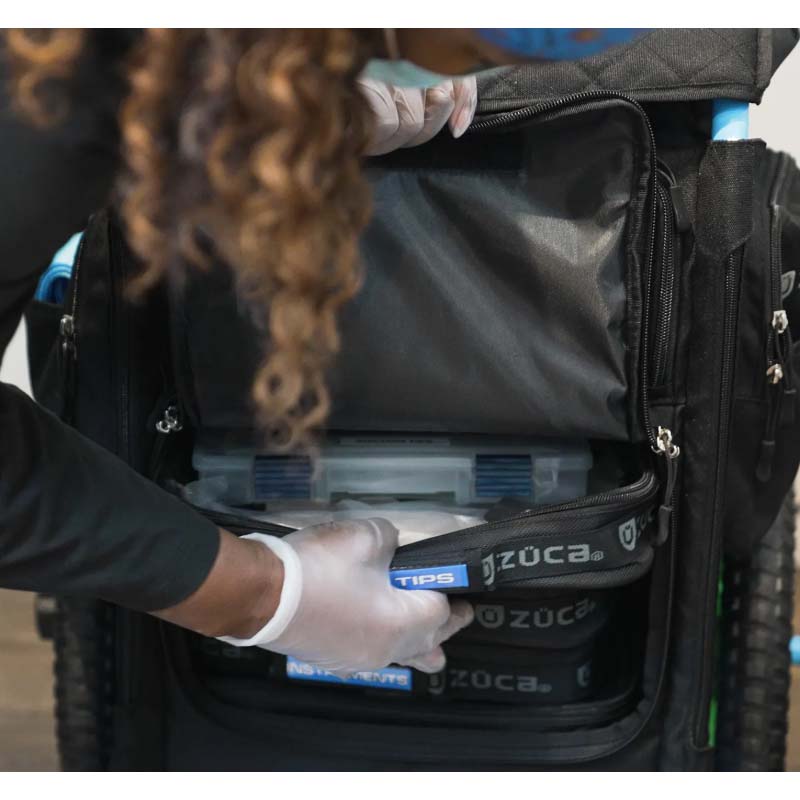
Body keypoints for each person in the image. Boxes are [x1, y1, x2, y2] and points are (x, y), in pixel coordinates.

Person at [0, 28, 642, 674]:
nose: (460, 85)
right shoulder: (47, 106)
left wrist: (282, 87)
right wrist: (260, 596)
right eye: (477, 57)